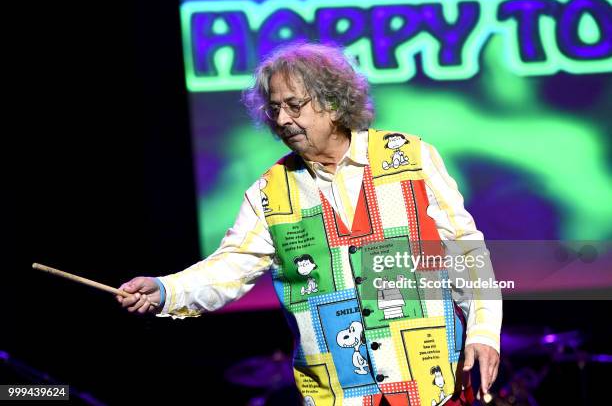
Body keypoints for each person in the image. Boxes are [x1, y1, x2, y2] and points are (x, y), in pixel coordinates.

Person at [116, 42, 502, 406]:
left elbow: (466, 251)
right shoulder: (269, 191)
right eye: (274, 109)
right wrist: (166, 290)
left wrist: (484, 333)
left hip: (432, 383)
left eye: (294, 105)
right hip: (337, 393)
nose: (282, 119)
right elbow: (231, 266)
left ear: (333, 103)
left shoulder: (410, 157)